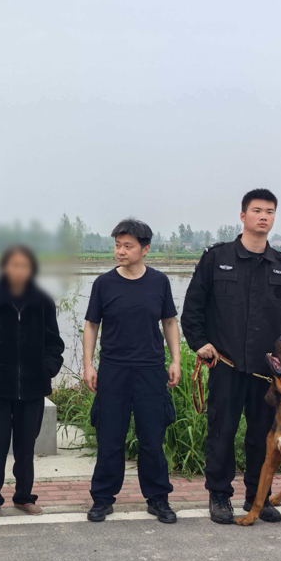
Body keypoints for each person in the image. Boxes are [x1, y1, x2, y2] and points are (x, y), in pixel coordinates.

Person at [180, 188, 281, 525]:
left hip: (268, 373)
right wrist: (200, 343)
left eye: (269, 212)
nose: (263, 217)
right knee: (221, 433)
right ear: (243, 216)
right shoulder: (216, 258)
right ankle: (219, 496)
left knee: (263, 437)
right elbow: (193, 309)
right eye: (256, 210)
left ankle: (257, 497)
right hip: (227, 365)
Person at [82, 218, 182, 525]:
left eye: (128, 246)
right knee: (110, 437)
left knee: (152, 437)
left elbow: (169, 322)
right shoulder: (104, 284)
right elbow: (91, 325)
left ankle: (158, 498)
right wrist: (88, 365)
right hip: (114, 369)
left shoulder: (159, 282)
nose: (121, 251)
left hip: (151, 369)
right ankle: (102, 498)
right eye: (117, 245)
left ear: (145, 249)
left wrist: (175, 360)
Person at [0, 244, 65, 520]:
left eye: (25, 265)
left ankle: (24, 497)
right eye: (14, 265)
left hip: (33, 388)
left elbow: (54, 343)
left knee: (26, 448)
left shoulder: (43, 301)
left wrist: (47, 369)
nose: (19, 271)